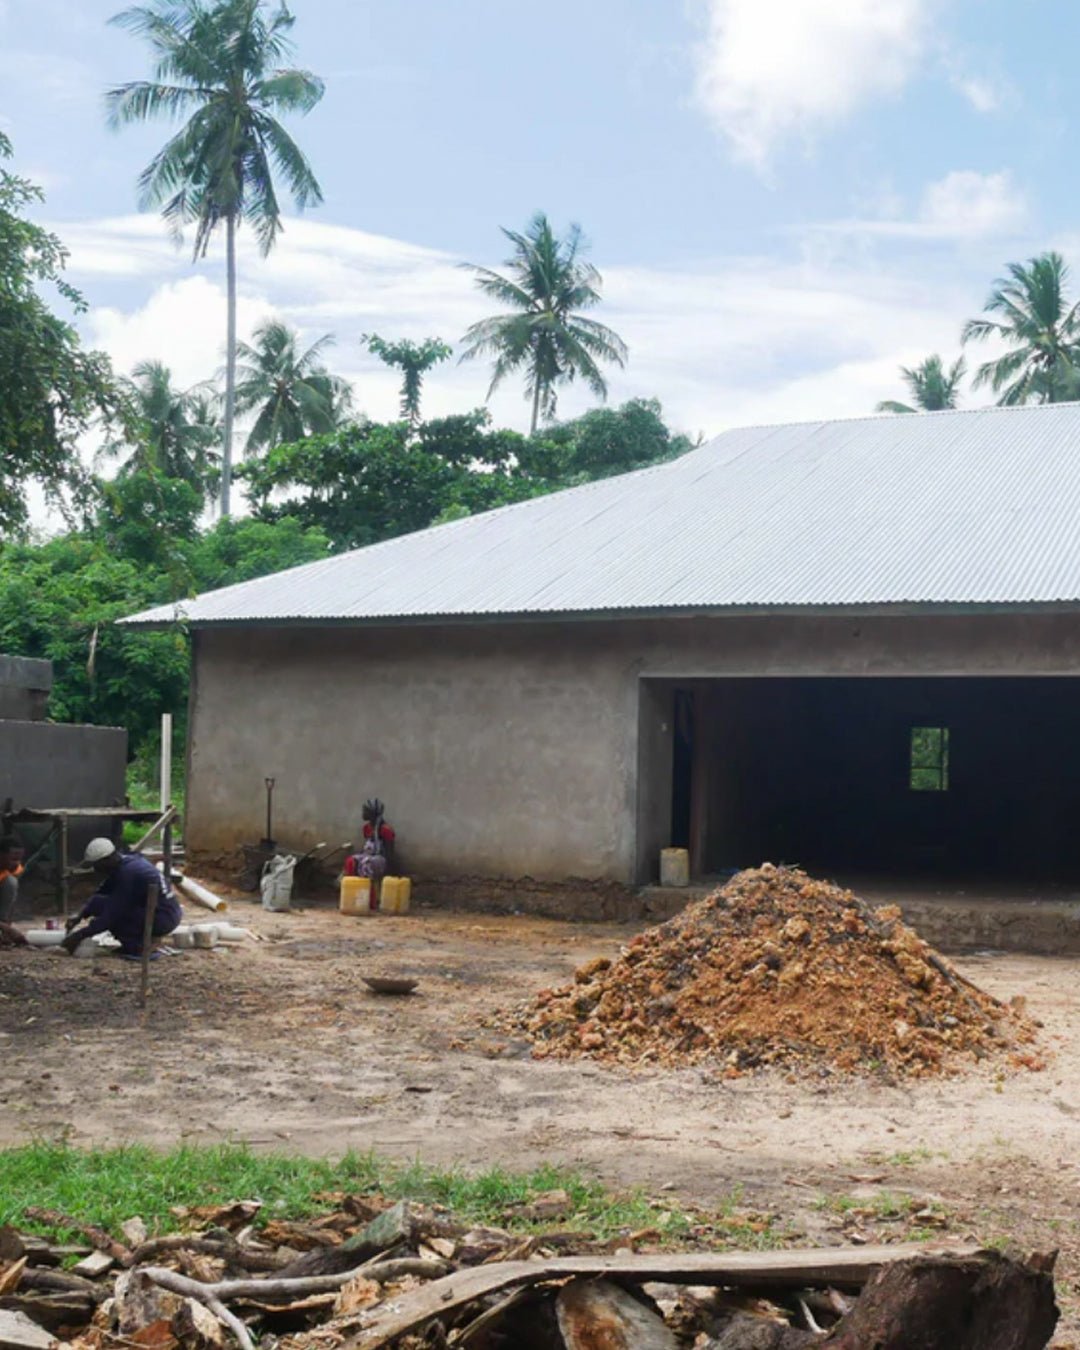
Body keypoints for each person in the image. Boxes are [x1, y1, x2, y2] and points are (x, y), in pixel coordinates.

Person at [61, 838, 182, 959]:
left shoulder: (128, 874)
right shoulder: (124, 864)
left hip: (163, 917)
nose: (96, 870)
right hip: (158, 911)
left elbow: (111, 915)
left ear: (107, 860)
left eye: (97, 865)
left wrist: (79, 936)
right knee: (99, 903)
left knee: (116, 919)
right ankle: (137, 942)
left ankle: (138, 949)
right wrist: (79, 915)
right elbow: (99, 895)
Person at [0, 835, 25, 926]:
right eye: (13, 859)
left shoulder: (15, 869)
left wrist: (7, 927)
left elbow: (11, 900)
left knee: (11, 883)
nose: (17, 863)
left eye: (19, 859)